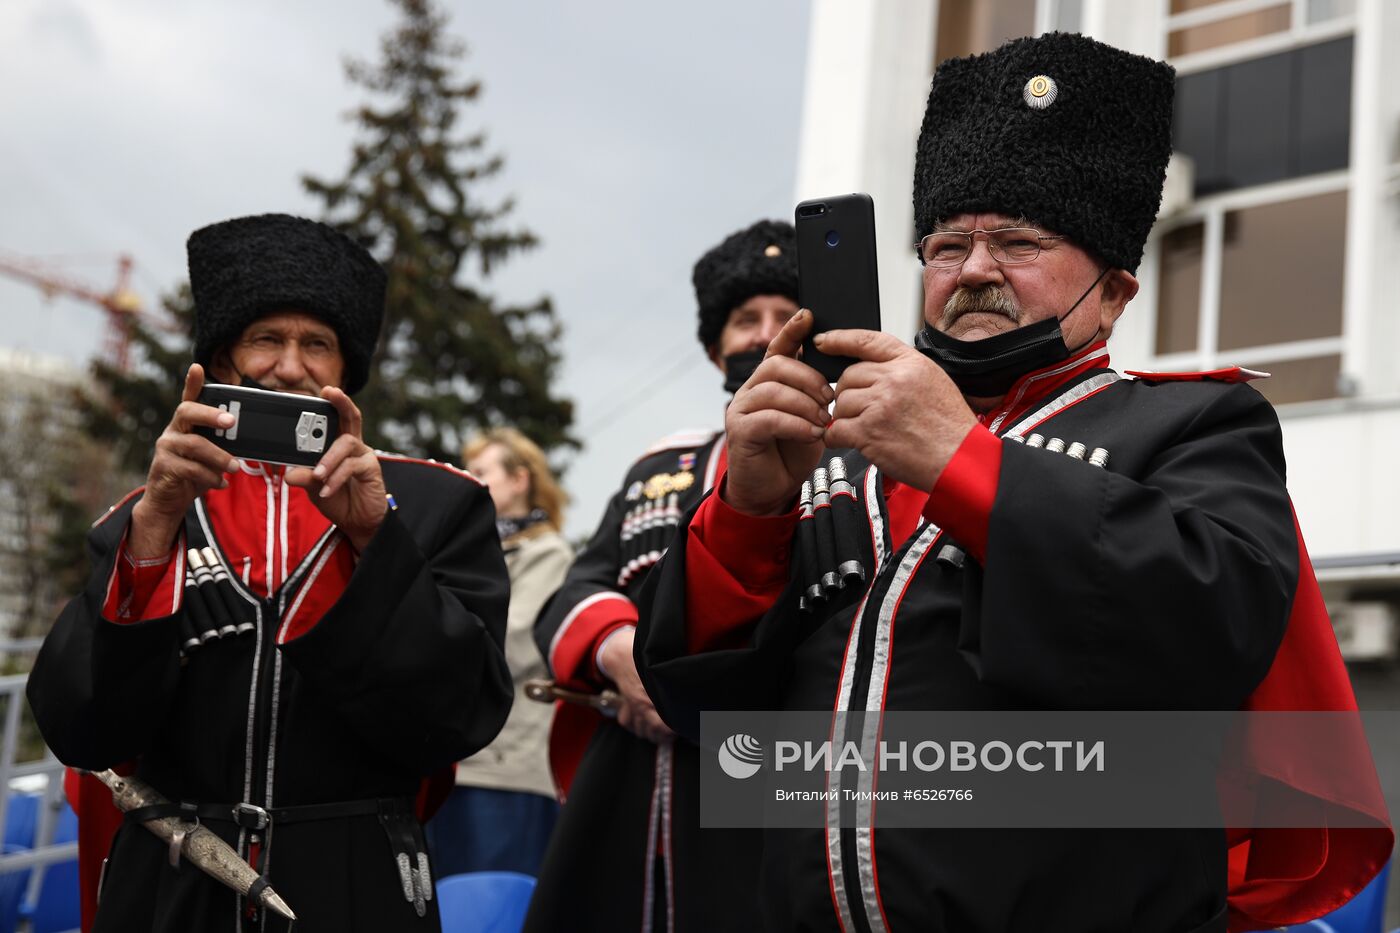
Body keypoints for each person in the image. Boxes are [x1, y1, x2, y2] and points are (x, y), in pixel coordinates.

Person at [636, 33, 1392, 933]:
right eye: (948, 245)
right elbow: (709, 723)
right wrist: (746, 512)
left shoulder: (1195, 427)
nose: (977, 271)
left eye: (1021, 242)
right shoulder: (830, 447)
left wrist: (963, 461)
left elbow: (1213, 630)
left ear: (1114, 293)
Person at [26, 213, 514, 933]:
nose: (290, 366)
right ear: (221, 363)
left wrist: (374, 539)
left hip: (356, 889)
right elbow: (82, 728)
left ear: (347, 370)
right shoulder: (147, 509)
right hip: (172, 891)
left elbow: (457, 717)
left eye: (316, 343)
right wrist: (155, 527)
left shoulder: (443, 504)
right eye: (265, 339)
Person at [524, 220, 799, 932]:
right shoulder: (658, 467)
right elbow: (574, 591)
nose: (764, 335)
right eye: (745, 320)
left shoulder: (855, 463)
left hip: (765, 787)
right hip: (630, 785)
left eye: (783, 317)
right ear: (715, 350)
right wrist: (625, 660)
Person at [425, 428, 573, 876]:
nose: (467, 480)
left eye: (481, 472)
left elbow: (508, 640)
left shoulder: (549, 554)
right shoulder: (469, 552)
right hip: (454, 768)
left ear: (519, 480)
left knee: (494, 910)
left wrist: (422, 637)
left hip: (508, 771)